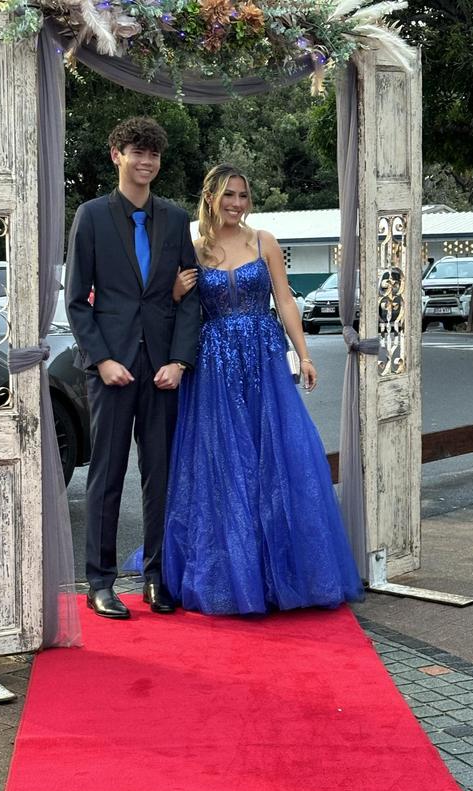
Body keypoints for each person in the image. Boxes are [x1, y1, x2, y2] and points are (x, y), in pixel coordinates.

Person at [163, 164, 364, 615]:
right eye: (228, 195)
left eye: (243, 196)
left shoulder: (265, 241)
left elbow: (286, 298)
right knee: (223, 464)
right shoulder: (193, 248)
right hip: (213, 365)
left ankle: (287, 573)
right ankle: (232, 575)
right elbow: (179, 310)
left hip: (263, 358)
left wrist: (305, 355)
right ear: (211, 196)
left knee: (277, 457)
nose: (236, 203)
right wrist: (176, 292)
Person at [65, 117, 200, 619]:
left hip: (163, 368)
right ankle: (100, 582)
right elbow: (76, 300)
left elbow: (188, 297)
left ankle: (156, 578)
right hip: (111, 369)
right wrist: (101, 360)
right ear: (115, 155)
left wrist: (180, 361)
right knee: (106, 474)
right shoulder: (92, 216)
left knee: (160, 476)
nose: (146, 162)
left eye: (153, 155)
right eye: (135, 152)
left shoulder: (174, 218)